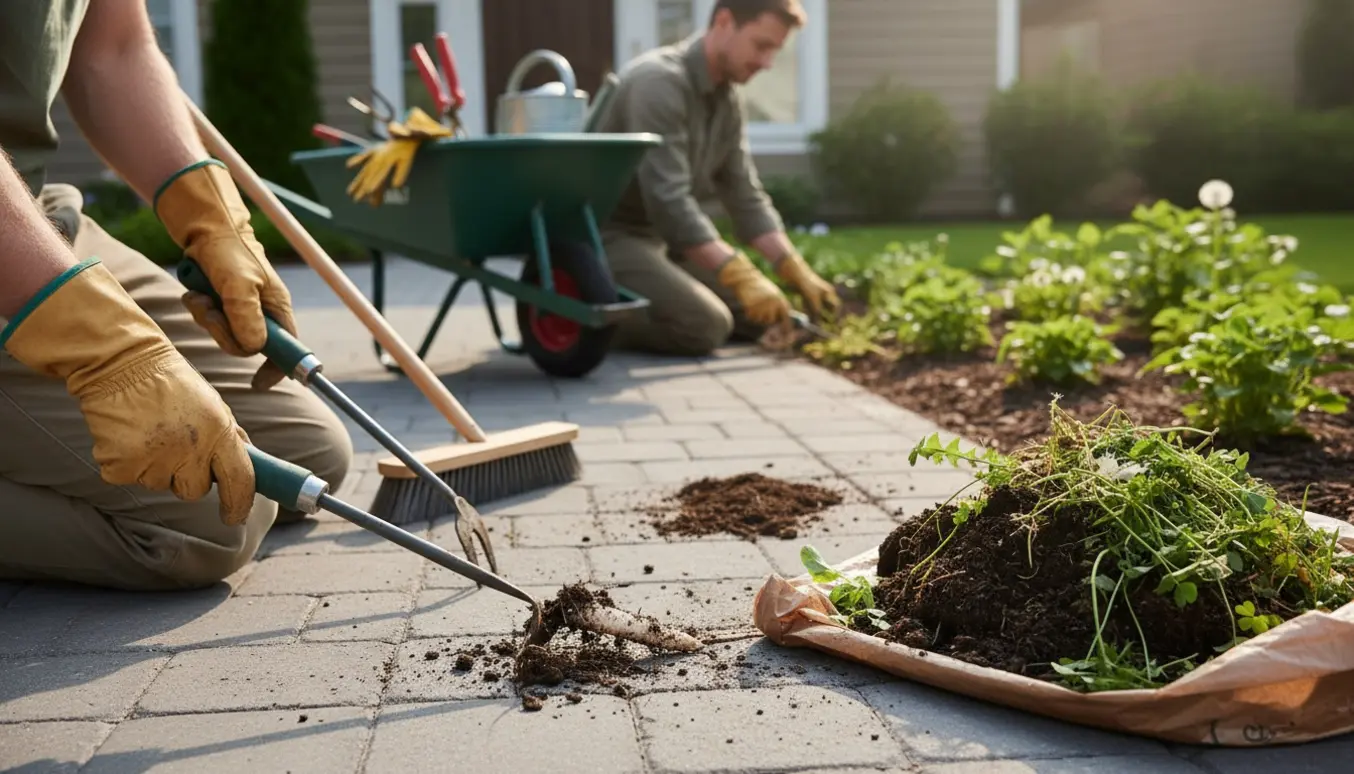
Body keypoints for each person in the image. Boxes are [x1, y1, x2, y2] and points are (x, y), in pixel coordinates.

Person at [0, 2, 352, 591]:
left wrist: (212, 222)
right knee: (212, 528)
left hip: (29, 218)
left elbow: (113, 48)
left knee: (307, 456)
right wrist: (110, 352)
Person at [590, 0, 840, 356]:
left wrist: (792, 267)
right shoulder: (658, 83)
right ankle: (595, 323)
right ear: (724, 22)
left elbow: (743, 193)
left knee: (769, 315)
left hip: (665, 242)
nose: (767, 63)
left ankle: (658, 300)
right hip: (609, 236)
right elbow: (669, 202)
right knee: (705, 326)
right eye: (761, 46)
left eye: (774, 51)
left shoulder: (726, 99)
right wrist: (741, 274)